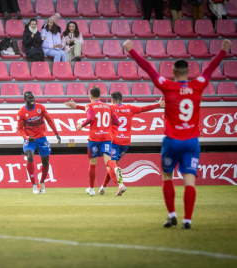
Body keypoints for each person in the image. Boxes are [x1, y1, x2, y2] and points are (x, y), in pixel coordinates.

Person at [123, 38, 231, 229]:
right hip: (191, 142)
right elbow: (210, 70)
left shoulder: (168, 86)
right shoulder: (198, 85)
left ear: (173, 72)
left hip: (172, 141)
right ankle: (187, 220)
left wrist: (131, 51)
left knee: (167, 177)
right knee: (189, 181)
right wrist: (223, 51)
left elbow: (149, 68)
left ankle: (172, 215)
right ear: (188, 72)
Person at [65, 93, 165, 195]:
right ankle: (103, 188)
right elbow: (144, 108)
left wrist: (76, 106)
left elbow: (93, 109)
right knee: (112, 166)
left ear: (112, 100)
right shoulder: (130, 108)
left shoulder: (110, 107)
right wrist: (158, 105)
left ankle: (120, 185)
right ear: (122, 99)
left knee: (110, 166)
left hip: (113, 141)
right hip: (125, 142)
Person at [72, 86, 125, 197]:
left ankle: (91, 190)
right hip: (106, 138)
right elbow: (116, 122)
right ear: (100, 96)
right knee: (108, 161)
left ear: (90, 96)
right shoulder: (108, 106)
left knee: (92, 163)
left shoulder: (89, 106)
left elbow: (91, 118)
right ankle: (116, 169)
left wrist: (80, 125)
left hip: (94, 138)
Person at [17, 91, 61, 194]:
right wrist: (26, 137)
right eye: (29, 98)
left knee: (45, 162)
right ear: (25, 100)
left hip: (42, 138)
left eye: (33, 98)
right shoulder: (21, 112)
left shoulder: (41, 107)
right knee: (29, 156)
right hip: (30, 139)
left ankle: (41, 182)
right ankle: (33, 185)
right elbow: (19, 129)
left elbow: (49, 120)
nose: (32, 100)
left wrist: (56, 133)